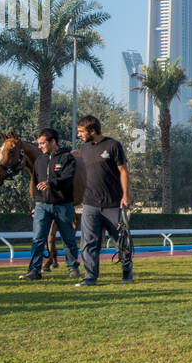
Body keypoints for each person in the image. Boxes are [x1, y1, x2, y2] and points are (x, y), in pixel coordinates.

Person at [73, 115, 131, 287]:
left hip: (113, 204)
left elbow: (123, 171)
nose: (79, 135)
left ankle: (126, 271)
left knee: (121, 241)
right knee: (88, 242)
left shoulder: (113, 146)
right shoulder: (84, 149)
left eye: (81, 132)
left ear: (92, 130)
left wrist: (126, 196)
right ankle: (90, 277)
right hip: (90, 204)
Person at [18, 128, 79, 280]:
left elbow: (68, 178)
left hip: (63, 205)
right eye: (38, 144)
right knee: (38, 239)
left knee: (68, 238)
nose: (40, 146)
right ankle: (34, 271)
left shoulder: (67, 158)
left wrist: (51, 183)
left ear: (53, 142)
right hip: (42, 206)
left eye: (42, 143)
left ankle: (72, 268)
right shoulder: (40, 160)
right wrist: (36, 204)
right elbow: (36, 183)